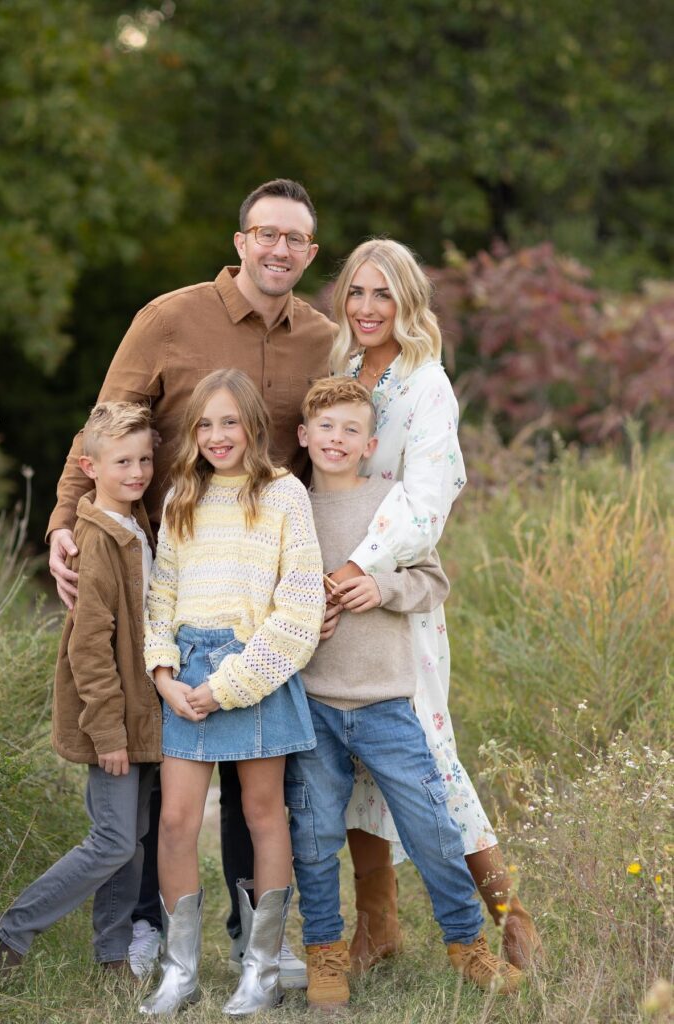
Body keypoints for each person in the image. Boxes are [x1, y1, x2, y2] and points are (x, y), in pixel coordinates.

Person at [45, 178, 334, 985]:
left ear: (309, 255)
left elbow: (330, 449)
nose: (279, 250)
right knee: (152, 758)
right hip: (161, 559)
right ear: (240, 240)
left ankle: (256, 941)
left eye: (295, 240)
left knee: (259, 777)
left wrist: (323, 581)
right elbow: (104, 423)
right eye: (264, 234)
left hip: (261, 577)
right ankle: (143, 926)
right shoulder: (169, 318)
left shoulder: (322, 338)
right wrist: (66, 520)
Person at [325, 239, 540, 971]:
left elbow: (429, 495)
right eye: (357, 292)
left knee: (426, 752)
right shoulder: (342, 369)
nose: (366, 308)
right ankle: (378, 927)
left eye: (383, 294)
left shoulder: (428, 385)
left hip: (396, 592)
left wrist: (365, 566)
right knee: (353, 759)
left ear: (408, 302)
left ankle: (511, 919)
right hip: (335, 594)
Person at [286, 377, 522, 1008]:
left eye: (350, 431)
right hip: (311, 704)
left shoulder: (391, 506)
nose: (336, 440)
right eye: (325, 428)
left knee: (432, 826)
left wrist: (383, 589)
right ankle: (326, 953)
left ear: (370, 444)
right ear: (304, 436)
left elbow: (432, 582)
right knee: (312, 837)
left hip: (387, 703)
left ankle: (467, 942)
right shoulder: (290, 506)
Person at [140, 369, 324, 1016]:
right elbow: (160, 594)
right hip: (185, 674)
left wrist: (229, 686)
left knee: (263, 814)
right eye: (205, 424)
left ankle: (262, 968)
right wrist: (166, 676)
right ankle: (180, 971)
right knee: (175, 820)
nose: (218, 436)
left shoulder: (283, 495)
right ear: (193, 433)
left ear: (253, 425)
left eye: (229, 422)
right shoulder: (181, 496)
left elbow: (299, 606)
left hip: (256, 667)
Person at [0, 402, 161, 973]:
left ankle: (113, 955)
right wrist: (107, 730)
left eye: (145, 459)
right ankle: (5, 938)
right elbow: (88, 646)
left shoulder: (133, 521)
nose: (138, 471)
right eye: (123, 461)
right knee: (114, 840)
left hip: (140, 712)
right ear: (89, 466)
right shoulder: (96, 539)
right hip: (113, 718)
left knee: (134, 838)